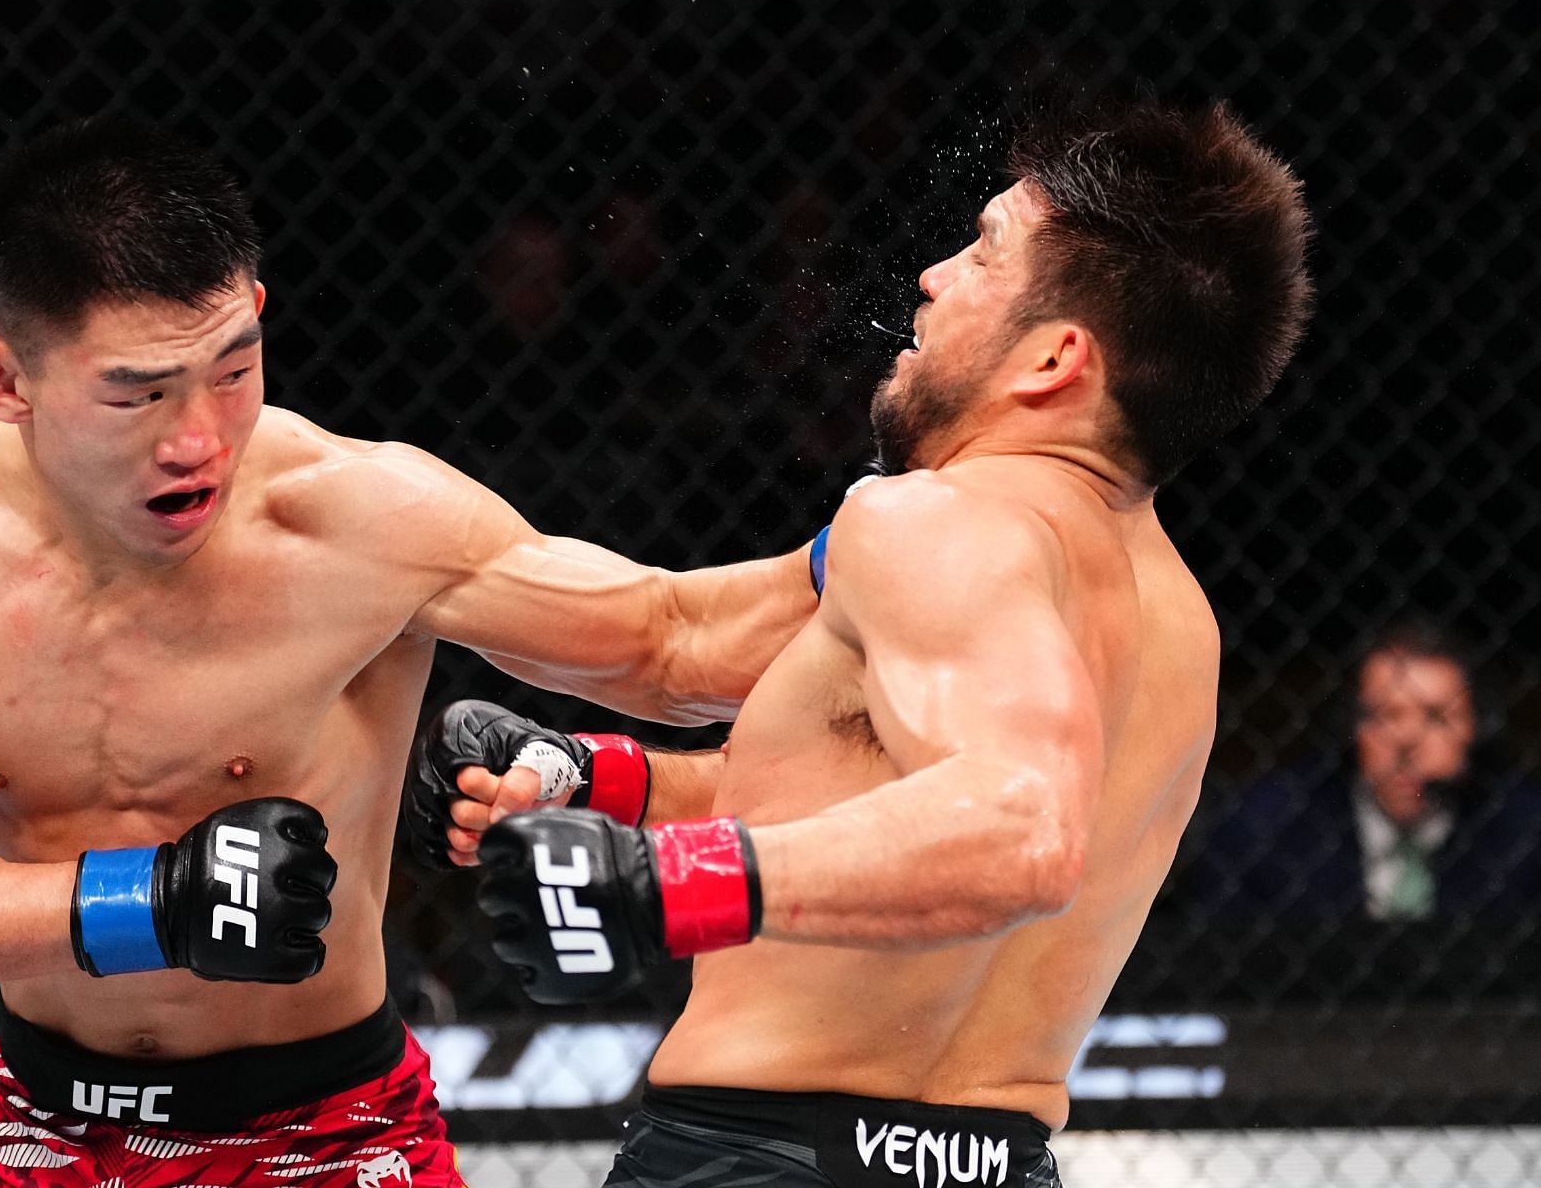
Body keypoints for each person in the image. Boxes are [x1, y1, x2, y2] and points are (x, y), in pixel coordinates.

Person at [0, 118, 819, 1186]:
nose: (199, 439)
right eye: (138, 394)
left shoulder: (362, 519)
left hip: (334, 1131)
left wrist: (895, 535)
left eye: (232, 369)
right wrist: (156, 901)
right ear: (3, 383)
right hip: (40, 1127)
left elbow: (680, 644)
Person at [408, 100, 1314, 1187]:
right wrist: (605, 781)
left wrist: (657, 883)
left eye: (983, 251)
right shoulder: (1181, 624)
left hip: (762, 1156)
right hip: (1000, 1162)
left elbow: (1020, 831)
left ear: (1054, 359)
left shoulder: (927, 522)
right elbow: (725, 683)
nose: (934, 276)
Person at [1195, 618, 1541, 924]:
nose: (1408, 741)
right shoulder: (1265, 828)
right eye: (1386, 715)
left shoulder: (1525, 833)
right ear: (1351, 726)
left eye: (1436, 717)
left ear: (1477, 728)